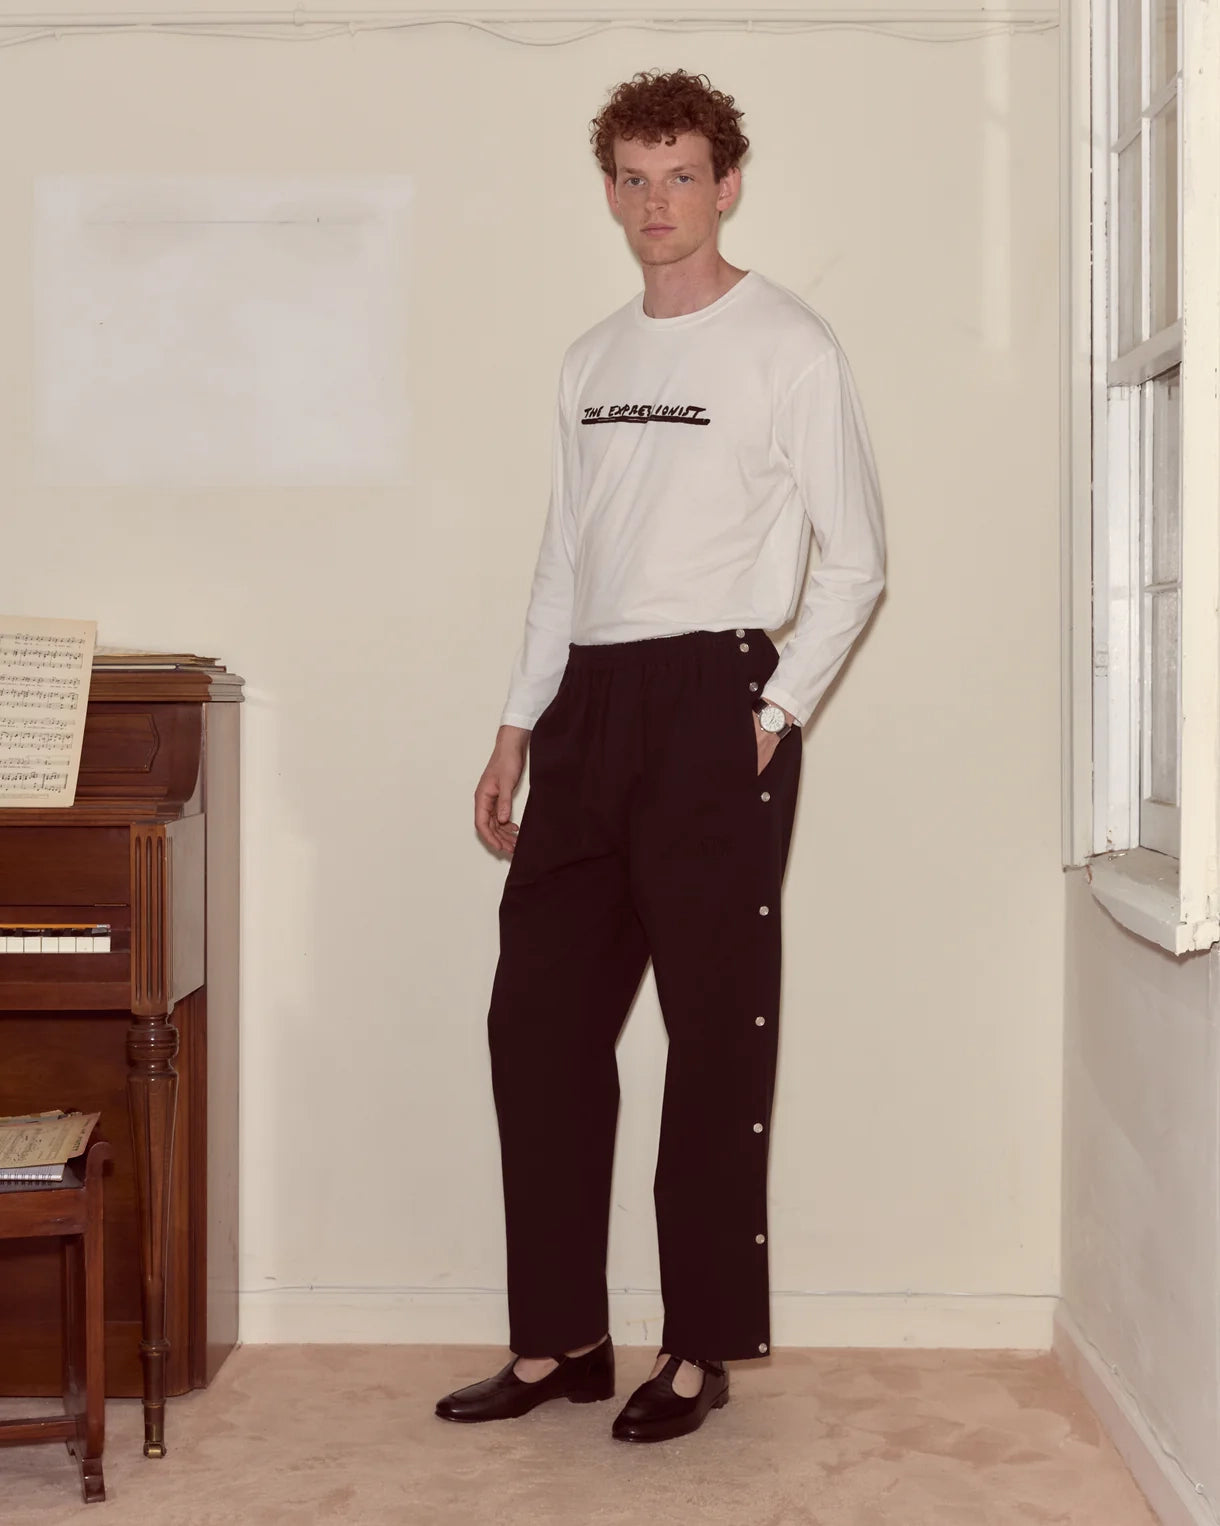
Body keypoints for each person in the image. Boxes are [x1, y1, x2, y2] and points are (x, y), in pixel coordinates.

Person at [435, 66, 885, 1444]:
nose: (654, 204)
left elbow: (857, 560)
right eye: (631, 178)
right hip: (590, 704)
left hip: (716, 694)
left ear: (727, 181)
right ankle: (563, 1335)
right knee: (540, 1024)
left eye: (679, 175)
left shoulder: (789, 346)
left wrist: (771, 709)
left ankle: (698, 1347)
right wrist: (519, 722)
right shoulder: (591, 361)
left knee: (713, 1032)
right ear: (611, 190)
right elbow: (565, 558)